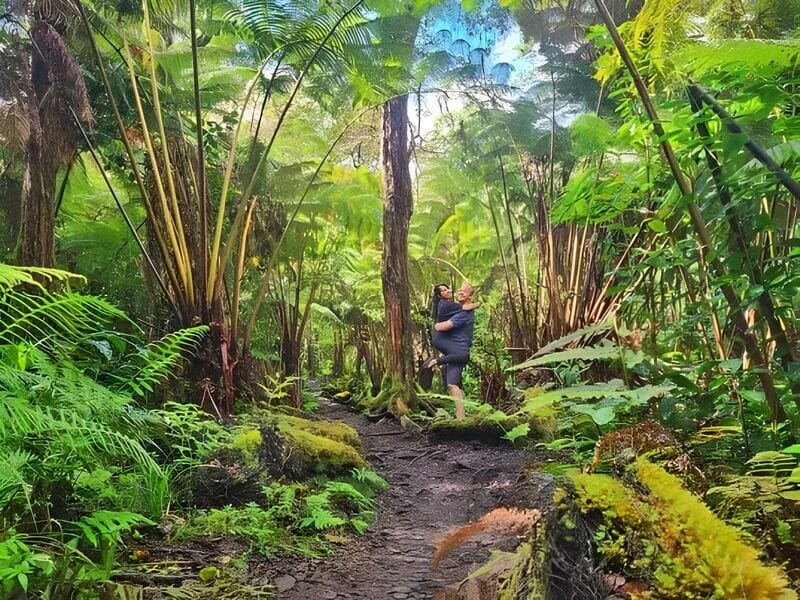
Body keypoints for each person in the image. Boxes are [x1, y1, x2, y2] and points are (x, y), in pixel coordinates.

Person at [423, 281, 478, 419]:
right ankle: (463, 415)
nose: (459, 292)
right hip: (456, 350)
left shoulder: (463, 314)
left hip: (459, 351)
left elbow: (442, 327)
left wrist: (438, 360)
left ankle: (461, 418)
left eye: (464, 292)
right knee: (454, 385)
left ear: (470, 297)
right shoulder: (451, 307)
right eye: (459, 290)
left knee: (452, 385)